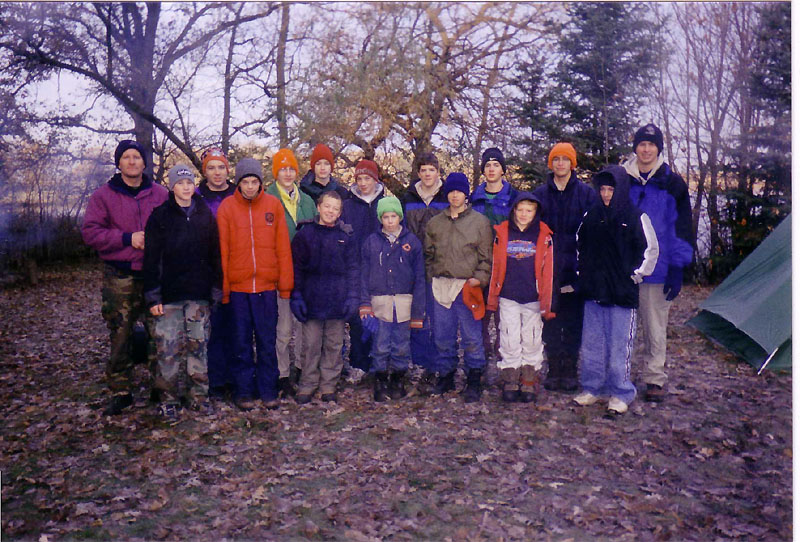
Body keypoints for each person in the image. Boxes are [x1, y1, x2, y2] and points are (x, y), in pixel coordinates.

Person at [81, 139, 168, 416]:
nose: (132, 161)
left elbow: (175, 227)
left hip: (155, 277)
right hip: (119, 276)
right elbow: (91, 233)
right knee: (120, 335)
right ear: (118, 163)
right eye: (126, 157)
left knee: (160, 333)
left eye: (136, 157)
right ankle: (121, 390)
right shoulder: (103, 196)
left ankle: (160, 388)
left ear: (144, 163)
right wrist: (127, 238)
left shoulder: (160, 194)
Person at [573, 165, 658, 414]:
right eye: (603, 189)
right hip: (593, 292)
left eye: (611, 189)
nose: (606, 194)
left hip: (621, 294)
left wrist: (635, 275)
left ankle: (621, 392)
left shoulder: (635, 216)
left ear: (620, 189)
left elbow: (650, 250)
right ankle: (592, 387)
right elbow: (579, 246)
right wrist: (582, 274)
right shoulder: (591, 215)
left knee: (619, 346)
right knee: (592, 344)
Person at [143, 164, 222, 419]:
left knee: (198, 347)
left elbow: (215, 254)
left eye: (189, 183)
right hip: (169, 297)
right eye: (180, 183)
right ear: (172, 187)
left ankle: (198, 396)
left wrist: (216, 287)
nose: (186, 188)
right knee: (168, 349)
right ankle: (168, 398)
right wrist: (153, 294)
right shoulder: (160, 217)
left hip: (198, 294)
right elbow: (151, 259)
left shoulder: (204, 214)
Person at [623, 123, 694, 402]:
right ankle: (619, 375)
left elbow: (682, 229)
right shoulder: (622, 179)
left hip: (659, 269)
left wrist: (677, 267)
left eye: (651, 145)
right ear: (635, 148)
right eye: (642, 144)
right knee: (622, 326)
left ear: (658, 149)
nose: (646, 149)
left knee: (654, 327)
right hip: (625, 268)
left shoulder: (672, 183)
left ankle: (654, 378)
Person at [216, 158, 293, 411]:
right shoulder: (227, 208)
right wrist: (225, 289)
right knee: (240, 342)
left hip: (266, 288)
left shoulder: (273, 205)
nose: (250, 187)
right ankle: (244, 390)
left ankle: (268, 389)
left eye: (254, 181)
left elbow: (283, 248)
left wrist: (285, 285)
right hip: (238, 289)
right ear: (238, 183)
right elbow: (223, 250)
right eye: (245, 182)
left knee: (267, 340)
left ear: (261, 183)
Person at [533, 142, 596, 393]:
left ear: (572, 163)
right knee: (550, 320)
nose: (560, 163)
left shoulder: (586, 194)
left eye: (565, 159)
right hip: (548, 269)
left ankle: (569, 368)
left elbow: (593, 232)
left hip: (575, 267)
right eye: (556, 159)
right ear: (551, 163)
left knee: (572, 321)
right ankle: (554, 367)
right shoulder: (540, 195)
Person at [424, 173, 493, 403]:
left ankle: (474, 377)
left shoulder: (479, 222)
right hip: (441, 286)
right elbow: (428, 255)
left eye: (460, 191)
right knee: (443, 335)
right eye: (451, 191)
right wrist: (432, 277)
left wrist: (478, 279)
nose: (455, 195)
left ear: (466, 194)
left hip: (467, 287)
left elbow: (486, 258)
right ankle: (446, 375)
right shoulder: (435, 223)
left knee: (471, 336)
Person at [290, 191, 360, 404]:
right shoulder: (305, 234)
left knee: (334, 345)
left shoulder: (346, 236)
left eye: (335, 208)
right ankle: (308, 383)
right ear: (319, 207)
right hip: (311, 299)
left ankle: (328, 384)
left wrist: (352, 298)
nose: (330, 211)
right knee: (310, 345)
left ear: (340, 213)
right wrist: (296, 295)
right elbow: (296, 268)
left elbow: (353, 269)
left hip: (337, 300)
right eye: (327, 206)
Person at [487, 192, 555, 403]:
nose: (524, 214)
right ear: (513, 210)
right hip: (508, 295)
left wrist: (547, 301)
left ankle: (529, 378)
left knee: (532, 338)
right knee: (509, 336)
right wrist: (493, 295)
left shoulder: (543, 235)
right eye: (521, 210)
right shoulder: (503, 232)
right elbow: (496, 266)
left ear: (536, 213)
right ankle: (510, 377)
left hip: (532, 297)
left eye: (529, 210)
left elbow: (549, 270)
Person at [359, 196, 426, 402]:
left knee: (401, 344)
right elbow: (363, 275)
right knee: (380, 344)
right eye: (385, 217)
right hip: (380, 303)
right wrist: (365, 303)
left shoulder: (411, 242)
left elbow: (419, 277)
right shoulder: (371, 242)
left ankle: (398, 379)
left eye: (393, 216)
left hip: (404, 303)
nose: (389, 221)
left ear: (400, 217)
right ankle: (380, 379)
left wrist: (418, 311)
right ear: (380, 218)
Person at [266, 148, 317, 398]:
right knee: (283, 329)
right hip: (280, 273)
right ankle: (282, 374)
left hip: (305, 274)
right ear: (276, 173)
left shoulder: (307, 200)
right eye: (282, 169)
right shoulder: (268, 199)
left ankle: (302, 369)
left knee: (304, 327)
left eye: (291, 169)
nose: (287, 174)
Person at [401, 152, 449, 394]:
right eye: (423, 170)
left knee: (438, 317)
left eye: (432, 169)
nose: (428, 174)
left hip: (441, 266)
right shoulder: (408, 197)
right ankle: (421, 364)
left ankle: (439, 366)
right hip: (414, 265)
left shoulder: (447, 195)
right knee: (417, 315)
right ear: (418, 173)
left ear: (438, 172)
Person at [195, 147, 237, 402]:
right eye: (211, 168)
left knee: (238, 325)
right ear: (205, 171)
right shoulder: (196, 196)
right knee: (214, 326)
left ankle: (237, 376)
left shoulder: (239, 193)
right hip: (208, 267)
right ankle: (217, 379)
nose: (217, 172)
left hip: (238, 265)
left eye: (221, 167)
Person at [470, 147, 518, 364]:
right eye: (487, 165)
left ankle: (504, 357)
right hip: (479, 265)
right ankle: (481, 356)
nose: (491, 169)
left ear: (502, 170)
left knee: (504, 315)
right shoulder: (474, 198)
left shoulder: (513, 197)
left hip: (506, 265)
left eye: (496, 165)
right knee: (479, 315)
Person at [340, 159, 388, 374]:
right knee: (358, 318)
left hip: (381, 269)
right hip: (355, 269)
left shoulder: (385, 203)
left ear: (375, 180)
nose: (363, 183)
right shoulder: (348, 206)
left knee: (380, 317)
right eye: (359, 179)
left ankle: (379, 363)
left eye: (367, 178)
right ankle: (359, 364)